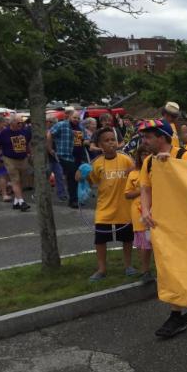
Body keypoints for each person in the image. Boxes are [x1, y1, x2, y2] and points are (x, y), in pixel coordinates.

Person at [138, 118, 187, 338]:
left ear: (162, 137)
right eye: (144, 137)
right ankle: (176, 314)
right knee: (169, 267)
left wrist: (171, 167)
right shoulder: (149, 162)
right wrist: (145, 210)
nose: (144, 141)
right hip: (163, 224)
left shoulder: (184, 156)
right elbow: (145, 188)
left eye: (148, 137)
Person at [77, 127, 136, 282]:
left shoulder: (126, 160)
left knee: (127, 238)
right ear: (99, 145)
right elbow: (90, 181)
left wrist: (135, 169)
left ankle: (128, 265)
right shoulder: (97, 163)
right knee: (100, 239)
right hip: (104, 207)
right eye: (107, 140)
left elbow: (136, 175)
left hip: (124, 206)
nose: (111, 143)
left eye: (113, 140)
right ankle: (102, 269)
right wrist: (81, 176)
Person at [124, 144, 154, 283]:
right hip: (139, 211)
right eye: (143, 154)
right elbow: (127, 194)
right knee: (144, 242)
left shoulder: (156, 171)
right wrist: (142, 189)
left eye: (148, 153)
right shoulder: (133, 174)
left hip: (157, 209)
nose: (145, 156)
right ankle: (145, 270)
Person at [47, 107, 83, 208]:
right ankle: (73, 200)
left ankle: (75, 199)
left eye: (78, 118)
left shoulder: (80, 127)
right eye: (74, 117)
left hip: (77, 156)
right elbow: (50, 134)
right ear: (69, 117)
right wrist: (50, 148)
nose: (76, 120)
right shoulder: (62, 124)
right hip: (65, 156)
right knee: (72, 177)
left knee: (76, 177)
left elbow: (85, 138)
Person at [0, 113, 31, 211]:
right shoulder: (5, 133)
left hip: (23, 159)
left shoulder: (25, 132)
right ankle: (22, 202)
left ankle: (16, 202)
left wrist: (30, 154)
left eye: (22, 122)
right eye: (18, 122)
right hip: (10, 159)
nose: (21, 124)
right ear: (12, 122)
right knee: (15, 180)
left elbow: (28, 144)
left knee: (22, 181)